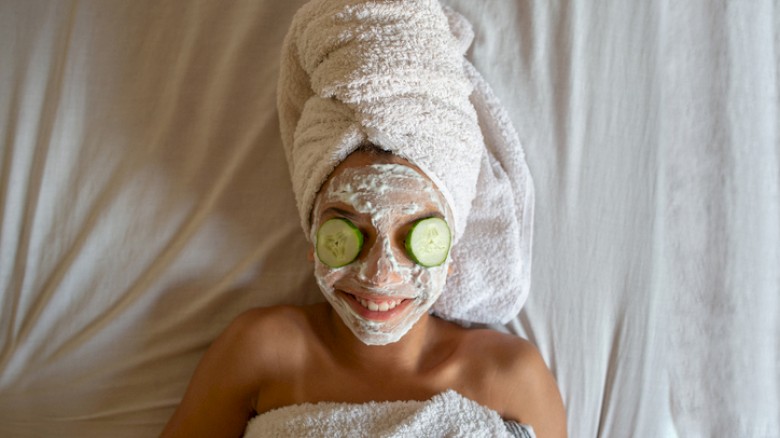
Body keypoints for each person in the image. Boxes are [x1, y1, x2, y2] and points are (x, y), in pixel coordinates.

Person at [163, 0, 566, 436]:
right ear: (313, 235)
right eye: (347, 233)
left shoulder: (513, 376)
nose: (378, 275)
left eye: (416, 237)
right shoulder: (258, 351)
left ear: (451, 253)